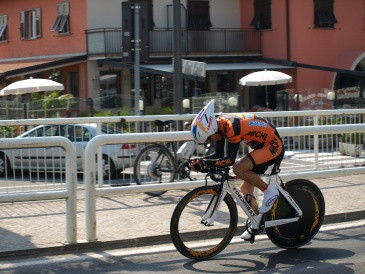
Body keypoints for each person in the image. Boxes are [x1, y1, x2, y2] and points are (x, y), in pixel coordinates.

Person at [189, 99, 285, 241]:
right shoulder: (218, 126)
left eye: (209, 139)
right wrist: (201, 161)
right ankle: (257, 224)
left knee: (239, 168)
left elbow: (228, 160)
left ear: (212, 130)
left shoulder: (231, 127)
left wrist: (205, 164)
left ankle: (269, 191)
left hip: (272, 145)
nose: (210, 142)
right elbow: (218, 155)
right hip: (261, 146)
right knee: (245, 189)